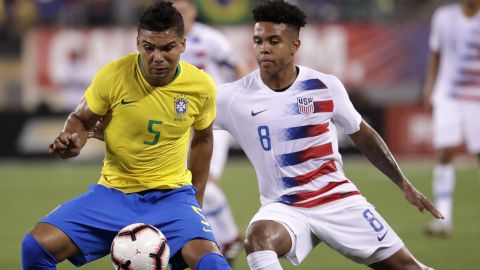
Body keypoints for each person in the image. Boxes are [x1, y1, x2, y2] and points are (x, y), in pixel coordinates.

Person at [214, 1, 444, 269]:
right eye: (258, 40)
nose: (263, 48)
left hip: (337, 200)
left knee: (407, 267)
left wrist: (404, 184)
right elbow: (186, 121)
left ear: (294, 46)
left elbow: (364, 136)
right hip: (286, 208)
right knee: (258, 238)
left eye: (274, 41)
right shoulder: (233, 97)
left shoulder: (324, 86)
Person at [21, 2, 231, 270]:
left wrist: (196, 203)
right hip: (113, 194)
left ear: (182, 45)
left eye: (167, 48)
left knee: (213, 264)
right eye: (149, 47)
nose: (157, 57)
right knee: (35, 247)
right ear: (138, 42)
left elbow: (203, 140)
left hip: (172, 197)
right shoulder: (113, 75)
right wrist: (73, 140)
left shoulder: (201, 86)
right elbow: (81, 120)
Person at [172, 0, 244, 264]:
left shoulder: (210, 38)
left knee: (206, 184)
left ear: (193, 12)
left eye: (183, 10)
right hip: (181, 125)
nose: (179, 15)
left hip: (214, 121)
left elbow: (238, 69)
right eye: (174, 10)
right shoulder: (166, 41)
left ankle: (224, 237)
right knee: (188, 185)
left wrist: (246, 103)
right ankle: (222, 238)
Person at [422, 0, 480, 237]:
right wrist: (430, 88)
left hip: (476, 97)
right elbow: (435, 55)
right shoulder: (443, 17)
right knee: (446, 150)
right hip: (448, 95)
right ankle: (443, 219)